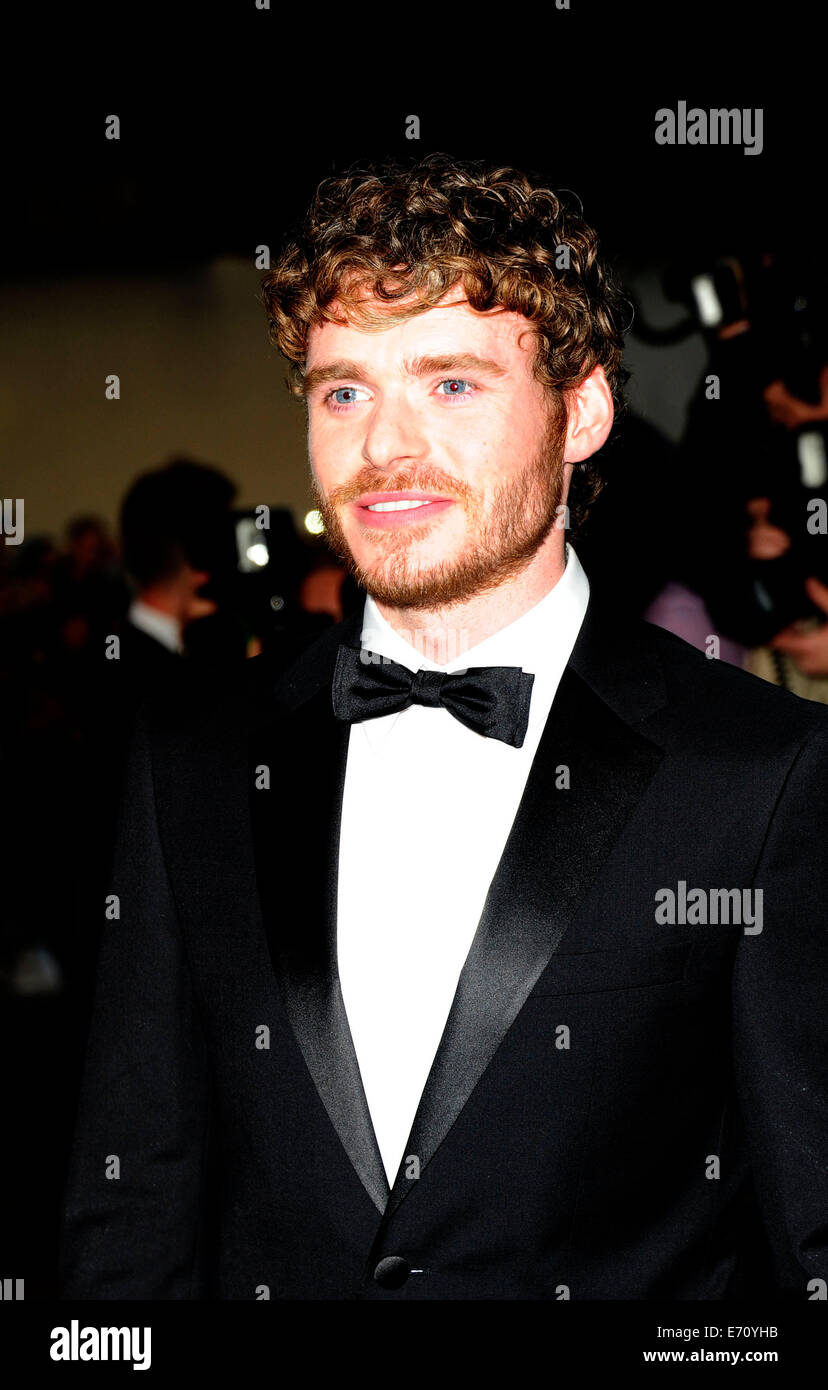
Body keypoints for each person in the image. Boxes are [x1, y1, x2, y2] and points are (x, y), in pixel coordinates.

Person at [59, 153, 828, 1301]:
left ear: (584, 411)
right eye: (344, 390)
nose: (383, 449)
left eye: (452, 384)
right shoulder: (195, 764)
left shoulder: (760, 771)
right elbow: (132, 1210)